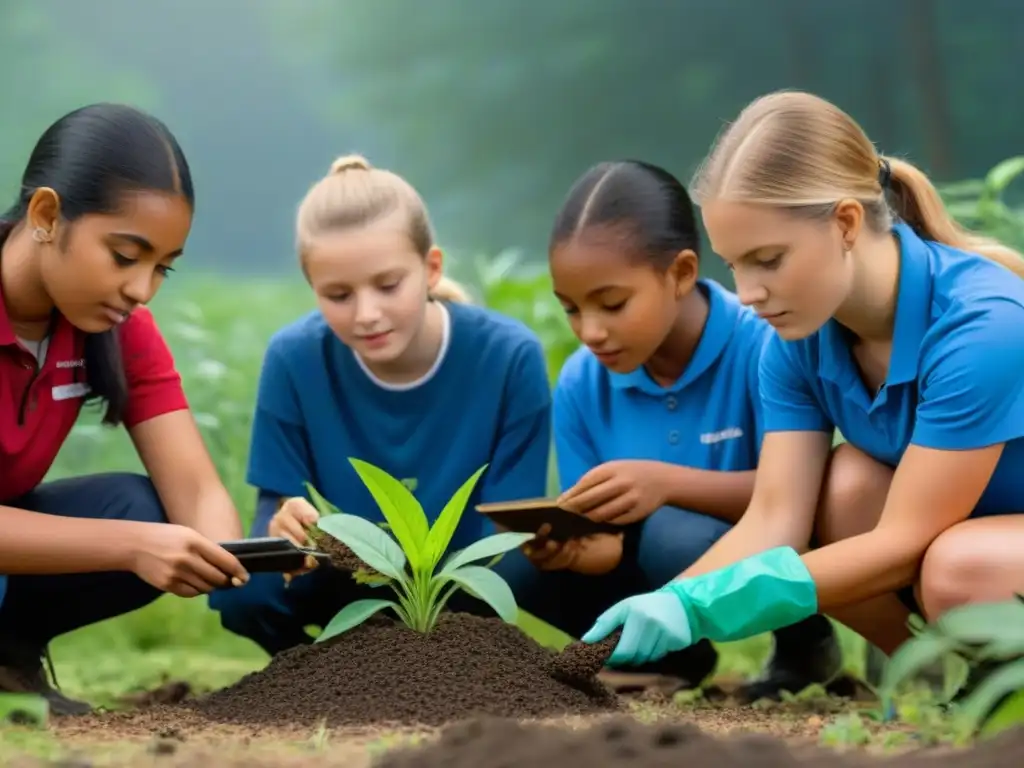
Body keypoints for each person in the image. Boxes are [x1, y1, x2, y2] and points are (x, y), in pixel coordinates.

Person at [580, 90, 1024, 698]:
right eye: (735, 265)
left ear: (844, 223)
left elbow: (903, 546)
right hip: (966, 530)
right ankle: (933, 682)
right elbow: (775, 519)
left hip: (979, 548)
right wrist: (667, 601)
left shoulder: (982, 325)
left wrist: (707, 607)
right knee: (840, 490)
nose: (750, 292)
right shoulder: (796, 339)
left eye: (768, 259)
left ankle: (997, 689)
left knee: (958, 566)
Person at [485, 159, 844, 700]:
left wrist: (667, 484)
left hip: (757, 541)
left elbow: (801, 496)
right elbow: (600, 528)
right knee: (513, 564)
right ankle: (672, 657)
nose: (591, 331)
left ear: (679, 274)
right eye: (571, 310)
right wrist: (583, 546)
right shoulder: (584, 380)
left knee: (675, 534)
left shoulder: (761, 345)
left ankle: (804, 645)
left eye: (612, 304)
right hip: (646, 559)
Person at [208, 155, 552, 655]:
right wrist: (288, 521)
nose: (367, 314)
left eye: (388, 286)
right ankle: (311, 670)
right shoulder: (293, 358)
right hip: (338, 572)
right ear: (312, 289)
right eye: (338, 295)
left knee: (520, 571)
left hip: (458, 581)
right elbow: (278, 502)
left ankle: (456, 658)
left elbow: (507, 527)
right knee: (242, 591)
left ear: (431, 269)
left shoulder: (509, 356)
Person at [0, 104, 251, 716]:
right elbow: (134, 540)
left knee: (143, 507)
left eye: (161, 267)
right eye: (124, 255)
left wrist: (253, 559)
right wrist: (133, 546)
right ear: (47, 215)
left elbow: (193, 490)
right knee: (135, 526)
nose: (141, 290)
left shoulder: (117, 328)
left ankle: (6, 658)